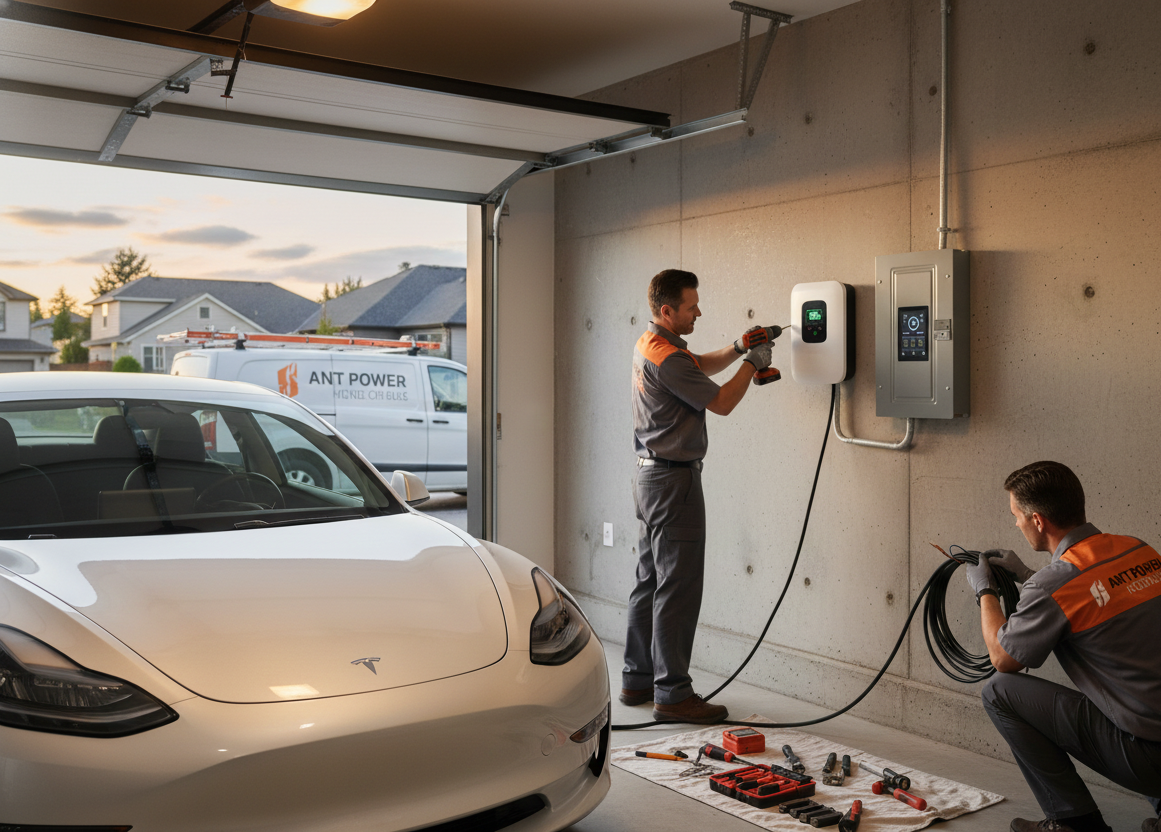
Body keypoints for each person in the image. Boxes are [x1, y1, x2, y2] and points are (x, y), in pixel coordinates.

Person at [965, 460, 1161, 832]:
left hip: (1148, 757)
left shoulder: (1053, 585)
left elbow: (1003, 658)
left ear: (1038, 521)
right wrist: (1028, 576)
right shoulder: (1138, 550)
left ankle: (1074, 823)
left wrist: (985, 591)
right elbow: (1091, 590)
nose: (1016, 524)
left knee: (999, 691)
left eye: (1017, 516)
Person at [621, 268, 775, 724]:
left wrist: (737, 348)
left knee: (650, 581)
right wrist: (753, 363)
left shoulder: (653, 345)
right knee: (679, 587)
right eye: (691, 306)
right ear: (667, 310)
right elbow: (723, 401)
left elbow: (696, 369)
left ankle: (638, 678)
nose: (699, 311)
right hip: (675, 483)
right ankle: (672, 694)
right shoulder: (668, 358)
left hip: (649, 479)